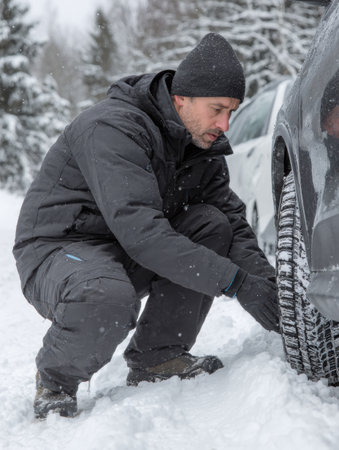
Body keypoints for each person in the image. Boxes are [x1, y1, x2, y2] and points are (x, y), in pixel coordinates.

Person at [13, 33, 279, 419]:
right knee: (106, 296)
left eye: (231, 112)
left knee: (213, 225)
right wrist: (236, 283)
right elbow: (143, 234)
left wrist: (271, 293)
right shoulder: (113, 128)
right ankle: (56, 380)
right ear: (180, 98)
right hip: (59, 252)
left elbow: (235, 226)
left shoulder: (199, 146)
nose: (223, 124)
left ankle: (158, 357)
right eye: (216, 109)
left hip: (123, 252)